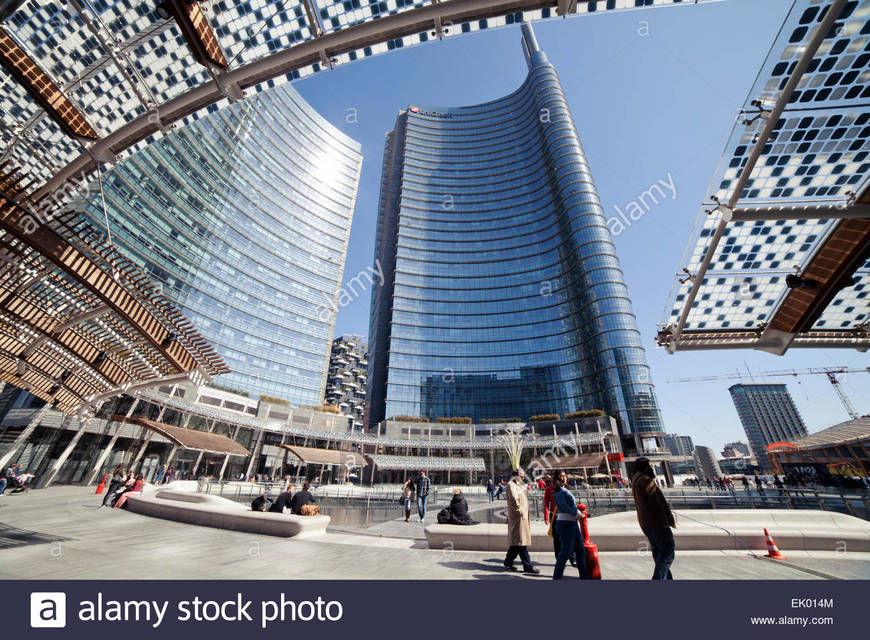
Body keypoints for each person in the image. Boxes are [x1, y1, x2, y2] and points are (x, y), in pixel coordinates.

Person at [631, 458, 676, 580]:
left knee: (659, 553)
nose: (652, 468)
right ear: (645, 467)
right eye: (650, 466)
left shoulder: (635, 479)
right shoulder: (645, 481)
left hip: (646, 523)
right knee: (668, 553)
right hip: (656, 523)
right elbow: (656, 504)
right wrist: (665, 521)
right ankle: (658, 579)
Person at [552, 472, 590, 580]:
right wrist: (576, 513)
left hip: (571, 523)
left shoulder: (560, 490)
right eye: (561, 477)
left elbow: (569, 505)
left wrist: (576, 512)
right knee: (566, 552)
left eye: (565, 476)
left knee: (580, 549)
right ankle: (557, 576)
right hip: (566, 524)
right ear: (556, 479)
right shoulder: (560, 491)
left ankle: (584, 575)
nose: (564, 478)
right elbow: (564, 505)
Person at [503, 468, 539, 574]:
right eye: (521, 475)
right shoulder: (511, 485)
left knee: (516, 543)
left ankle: (508, 562)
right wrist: (521, 512)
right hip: (518, 518)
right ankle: (527, 566)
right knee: (521, 543)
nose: (523, 476)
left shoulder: (517, 485)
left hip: (520, 518)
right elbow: (514, 501)